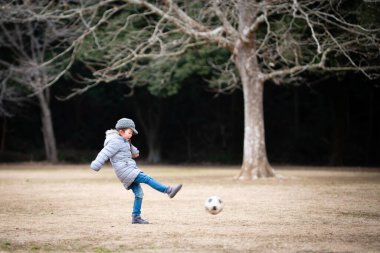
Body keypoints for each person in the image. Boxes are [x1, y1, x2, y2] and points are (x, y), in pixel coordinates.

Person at [90, 118, 182, 224]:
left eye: (132, 133)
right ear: (121, 131)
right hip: (126, 171)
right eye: (129, 132)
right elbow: (104, 153)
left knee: (139, 193)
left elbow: (134, 152)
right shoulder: (114, 142)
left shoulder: (124, 140)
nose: (131, 135)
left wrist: (133, 149)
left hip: (128, 171)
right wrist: (96, 164)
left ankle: (136, 217)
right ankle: (168, 190)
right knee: (147, 178)